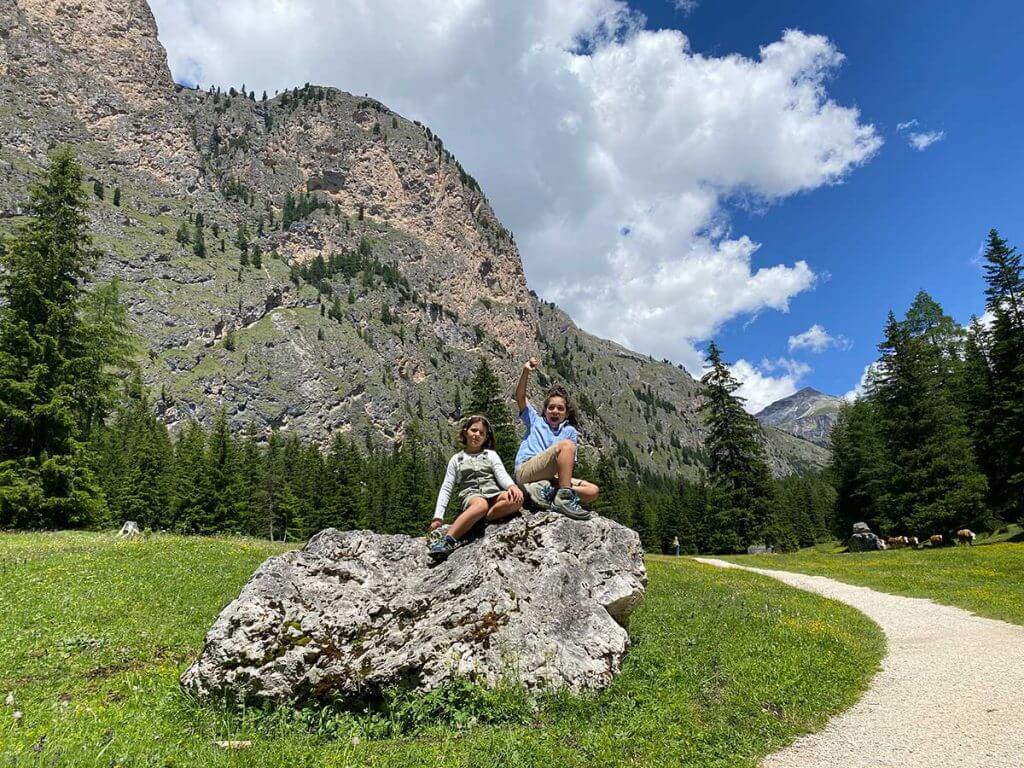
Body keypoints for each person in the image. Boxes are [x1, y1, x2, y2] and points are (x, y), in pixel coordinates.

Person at [427, 415, 523, 560]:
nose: (477, 435)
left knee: (515, 500)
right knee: (480, 505)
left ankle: (483, 520)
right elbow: (447, 488)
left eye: (482, 433)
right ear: (465, 432)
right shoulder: (457, 459)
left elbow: (501, 474)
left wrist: (512, 486)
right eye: (474, 430)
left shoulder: (490, 455)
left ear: (486, 438)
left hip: (493, 493)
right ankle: (448, 540)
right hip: (472, 496)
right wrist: (438, 517)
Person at [513, 357, 599, 519]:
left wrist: (557, 481)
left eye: (560, 408)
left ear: (566, 413)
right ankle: (563, 499)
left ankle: (544, 491)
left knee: (592, 491)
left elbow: (565, 466)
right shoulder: (534, 420)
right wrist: (526, 372)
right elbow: (520, 397)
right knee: (566, 446)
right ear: (545, 411)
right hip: (526, 471)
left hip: (550, 476)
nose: (555, 411)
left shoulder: (569, 432)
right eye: (551, 407)